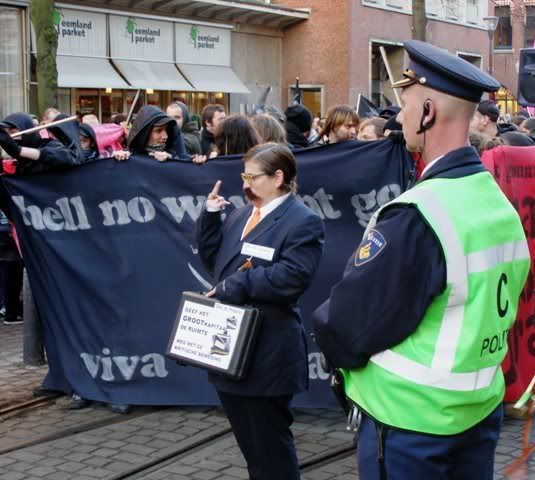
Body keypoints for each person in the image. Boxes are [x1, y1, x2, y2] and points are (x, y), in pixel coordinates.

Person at [312, 40, 530, 480]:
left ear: (428, 111)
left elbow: (347, 323)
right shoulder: (496, 201)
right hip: (478, 411)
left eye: (406, 104)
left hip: (411, 423)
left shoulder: (419, 214)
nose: (400, 116)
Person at [196, 142, 325, 480]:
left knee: (271, 451)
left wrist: (236, 286)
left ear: (278, 177)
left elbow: (292, 278)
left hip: (268, 354)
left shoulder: (303, 221)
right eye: (244, 175)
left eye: (252, 177)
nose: (245, 184)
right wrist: (210, 218)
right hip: (231, 352)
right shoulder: (241, 214)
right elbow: (218, 264)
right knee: (252, 449)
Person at [0, 112, 82, 174]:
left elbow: (69, 158)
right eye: (7, 135)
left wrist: (20, 150)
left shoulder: (50, 145)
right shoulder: (20, 163)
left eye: (13, 132)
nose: (11, 138)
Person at [112, 105, 188, 162]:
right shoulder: (128, 156)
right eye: (158, 131)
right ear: (144, 135)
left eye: (166, 130)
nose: (165, 136)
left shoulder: (173, 155)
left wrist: (172, 160)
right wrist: (118, 159)